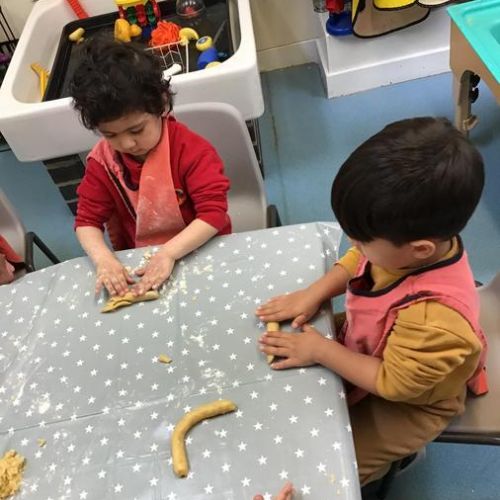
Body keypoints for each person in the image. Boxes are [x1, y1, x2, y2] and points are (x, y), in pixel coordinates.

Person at [256, 117, 488, 487]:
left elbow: (392, 382)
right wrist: (315, 292)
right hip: (377, 344)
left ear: (420, 251)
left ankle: (386, 466)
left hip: (409, 403)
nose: (354, 245)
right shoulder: (405, 248)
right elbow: (358, 260)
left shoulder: (434, 323)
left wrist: (321, 350)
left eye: (363, 240)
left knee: (329, 467)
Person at [70, 39, 231, 297]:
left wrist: (167, 253)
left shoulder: (191, 151)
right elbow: (86, 221)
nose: (126, 143)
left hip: (200, 247)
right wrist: (104, 259)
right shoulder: (103, 163)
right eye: (110, 134)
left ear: (162, 105)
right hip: (140, 256)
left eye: (137, 130)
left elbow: (213, 215)